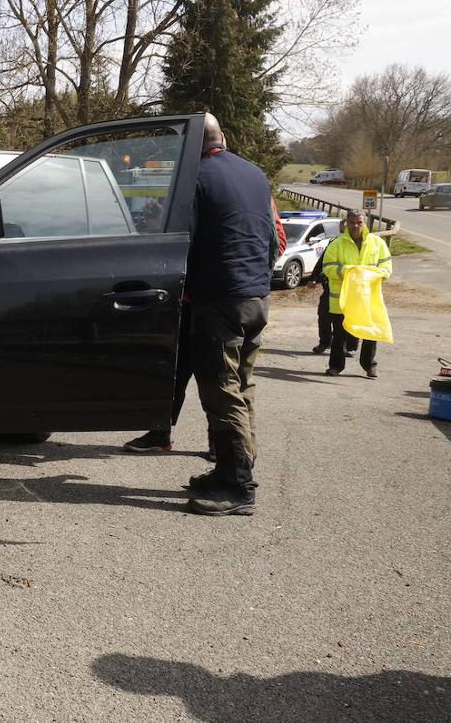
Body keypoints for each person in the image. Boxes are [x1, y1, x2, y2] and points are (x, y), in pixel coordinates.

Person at [123, 195, 285, 460]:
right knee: (174, 371)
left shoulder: (254, 194)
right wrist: (157, 225)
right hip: (186, 300)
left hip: (221, 302)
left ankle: (222, 445)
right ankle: (160, 432)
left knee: (220, 376)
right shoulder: (190, 188)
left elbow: (278, 243)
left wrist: (244, 277)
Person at [181, 113, 273, 516]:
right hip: (256, 296)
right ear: (223, 136)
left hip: (220, 299)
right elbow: (270, 237)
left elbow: (183, 239)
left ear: (192, 144)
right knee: (243, 386)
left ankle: (239, 487)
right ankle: (229, 471)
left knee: (221, 390)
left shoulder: (195, 178)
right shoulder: (255, 174)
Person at [322, 210, 392, 378]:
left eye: (359, 222)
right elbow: (327, 267)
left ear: (365, 223)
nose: (356, 226)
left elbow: (386, 269)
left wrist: (374, 273)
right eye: (352, 222)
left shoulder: (377, 243)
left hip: (367, 299)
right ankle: (336, 366)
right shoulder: (337, 244)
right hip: (342, 301)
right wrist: (348, 271)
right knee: (339, 335)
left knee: (370, 333)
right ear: (346, 223)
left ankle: (369, 365)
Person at [311, 219, 358, 357]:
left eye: (345, 227)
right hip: (331, 287)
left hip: (352, 289)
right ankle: (325, 342)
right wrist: (313, 278)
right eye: (342, 227)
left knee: (350, 317)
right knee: (324, 315)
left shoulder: (358, 245)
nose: (343, 230)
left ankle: (351, 346)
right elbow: (322, 261)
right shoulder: (334, 242)